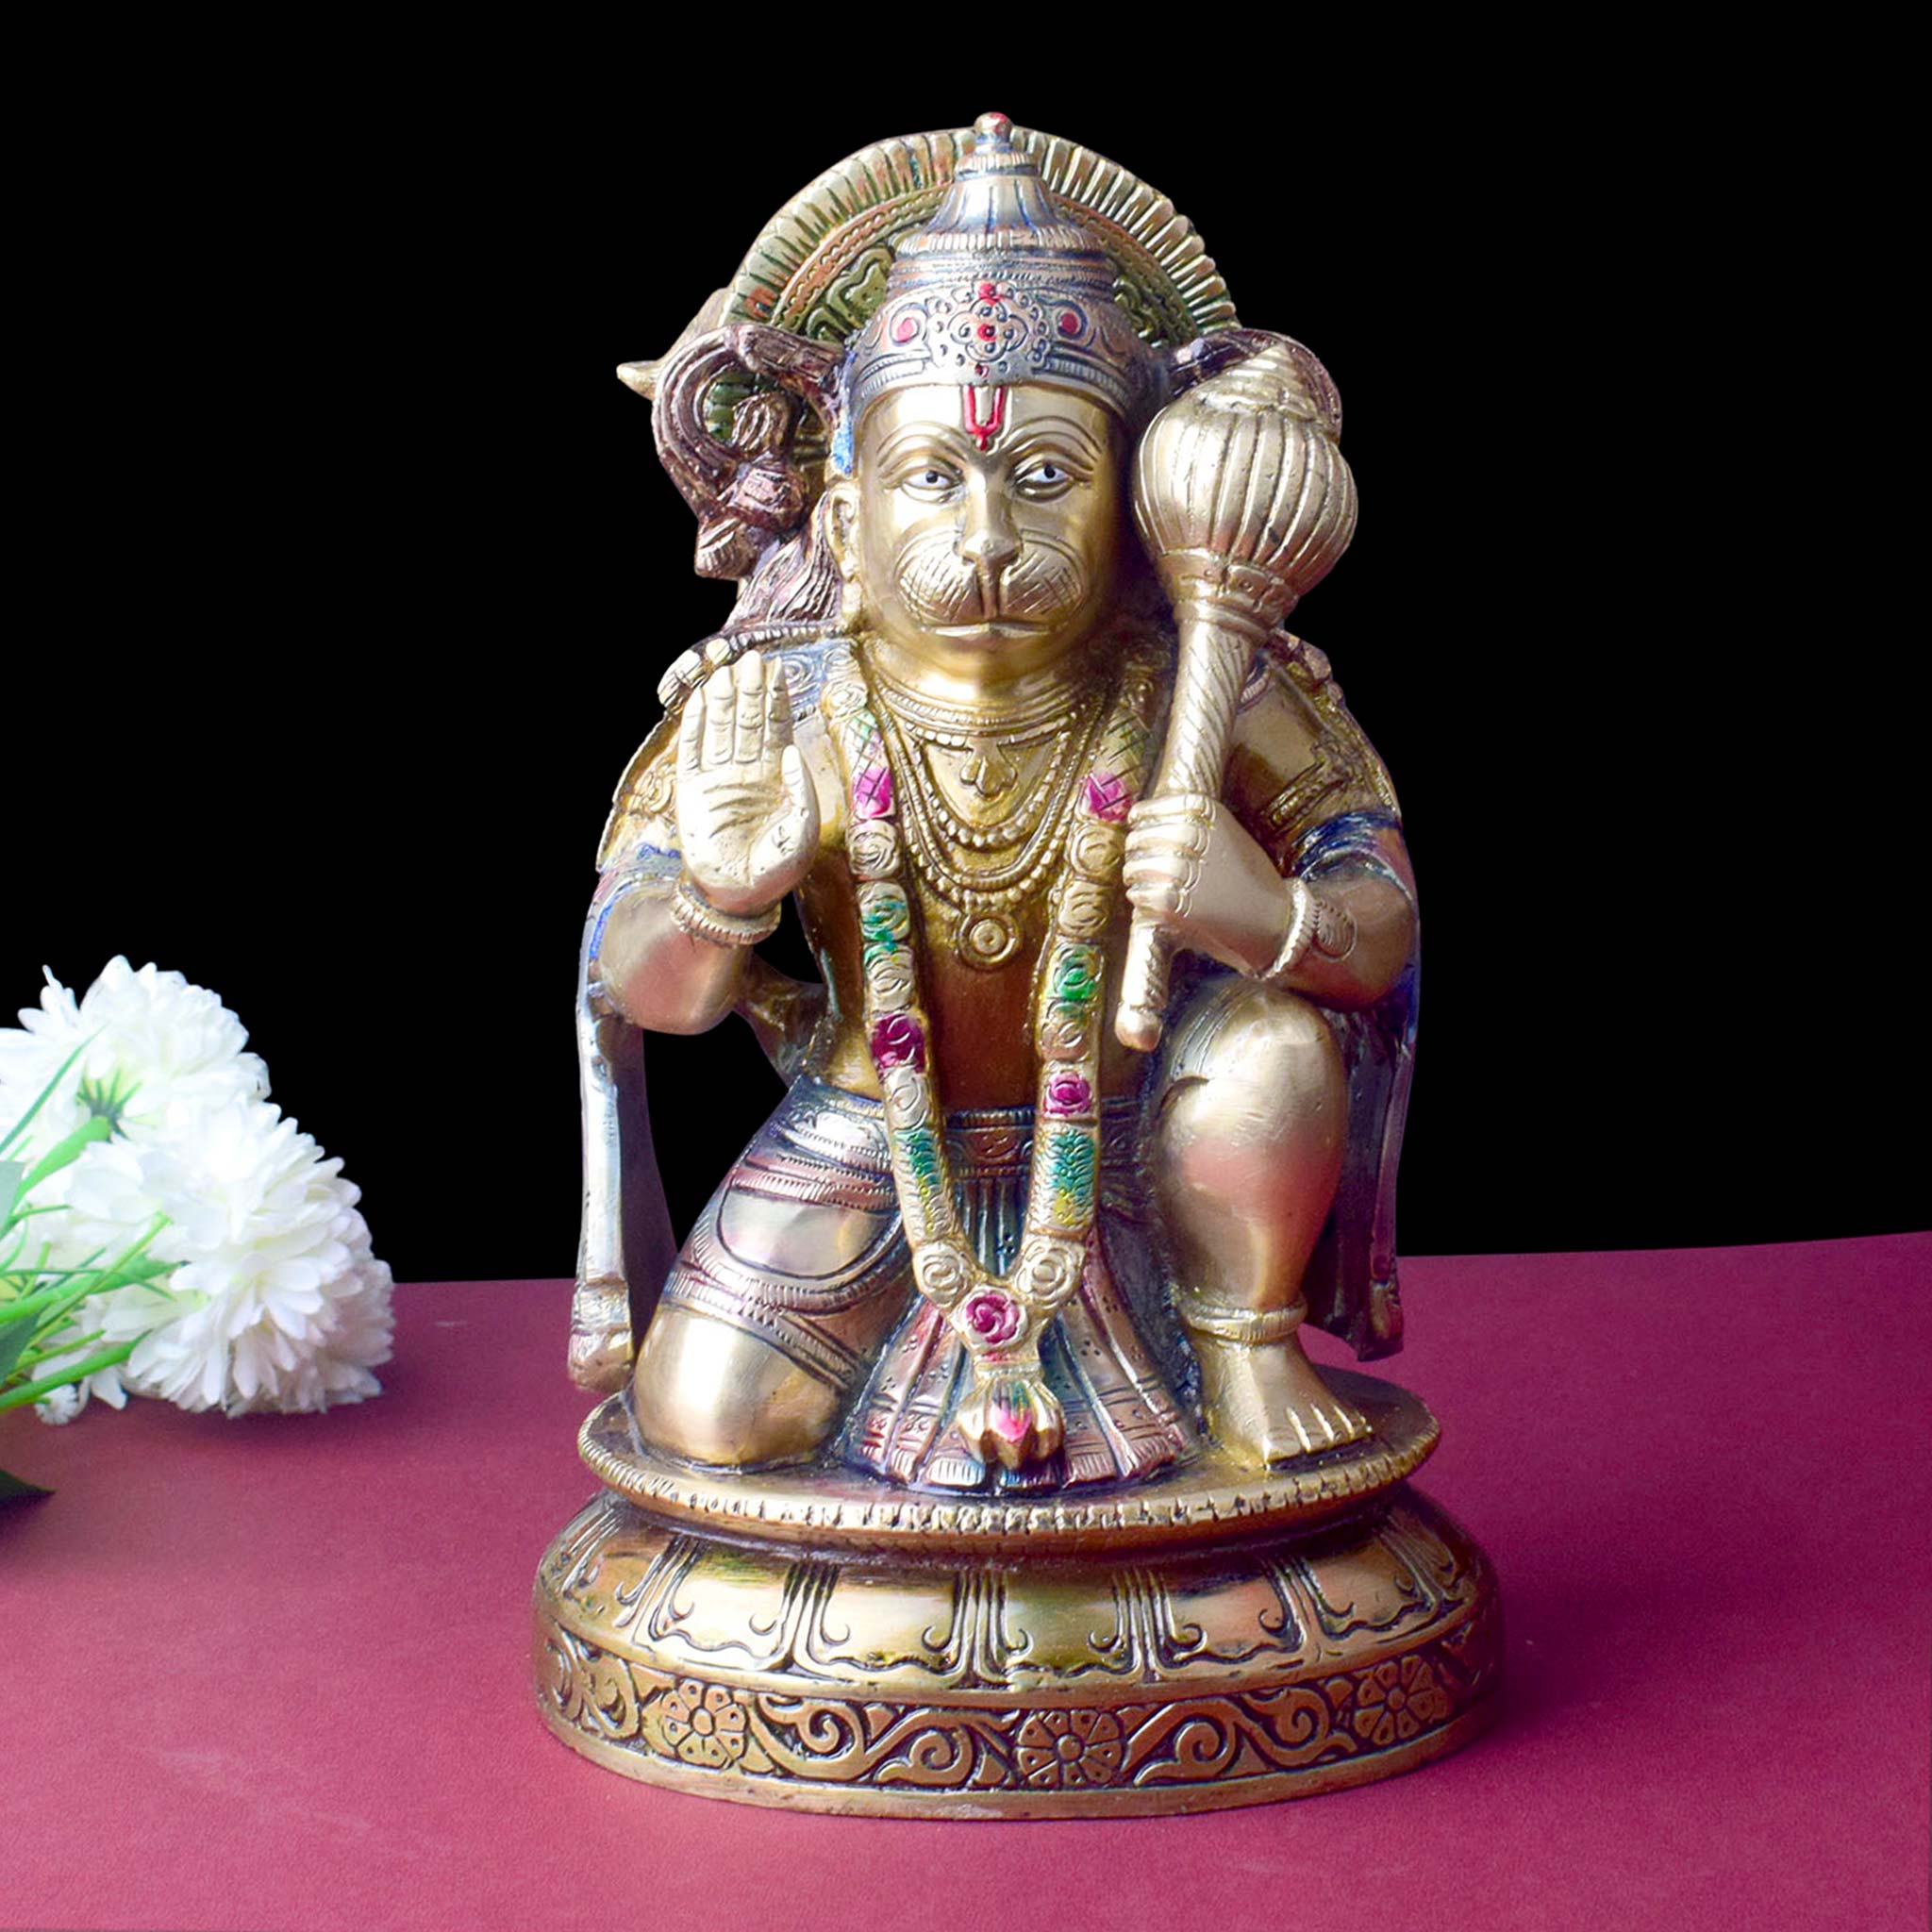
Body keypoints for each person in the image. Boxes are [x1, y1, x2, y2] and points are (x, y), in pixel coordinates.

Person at [580, 116, 1418, 1491]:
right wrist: (720, 900)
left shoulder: (1204, 687)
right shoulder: (773, 699)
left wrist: (1266, 915)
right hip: (870, 1135)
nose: (986, 539)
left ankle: (1241, 1345)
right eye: (931, 478)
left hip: (1147, 1136)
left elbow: (1377, 924)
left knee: (1271, 1048)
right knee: (705, 1425)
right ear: (844, 523)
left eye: (1044, 477)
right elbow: (643, 995)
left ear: (1133, 512)